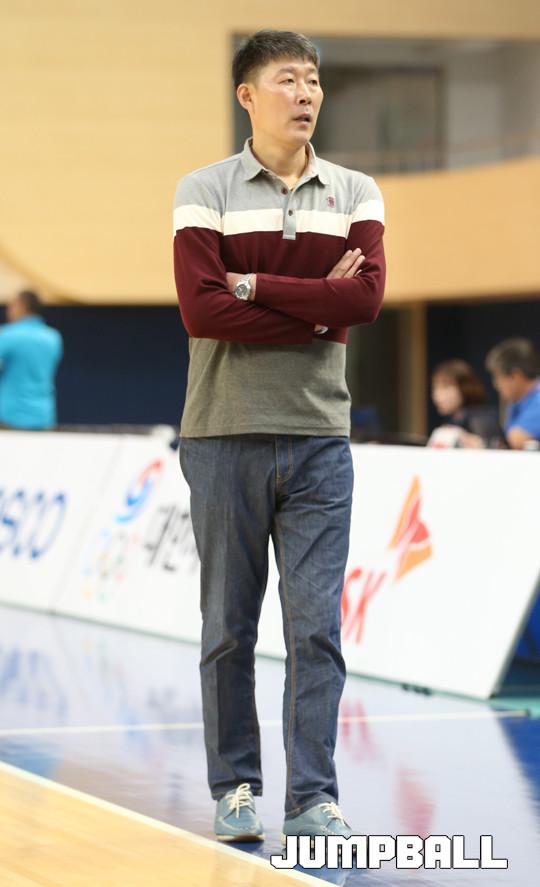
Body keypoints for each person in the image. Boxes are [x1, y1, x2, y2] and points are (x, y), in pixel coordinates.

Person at [173, 30, 386, 844]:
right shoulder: (204, 189)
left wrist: (255, 284)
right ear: (247, 95)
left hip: (320, 439)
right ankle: (234, 787)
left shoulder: (356, 191)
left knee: (316, 630)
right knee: (229, 626)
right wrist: (316, 308)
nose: (306, 94)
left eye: (314, 81)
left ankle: (312, 797)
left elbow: (364, 302)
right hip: (223, 433)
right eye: (288, 79)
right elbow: (202, 311)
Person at [0, 290, 63, 430]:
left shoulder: (7, 335)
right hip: (43, 417)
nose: (8, 310)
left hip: (10, 417)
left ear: (22, 306)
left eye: (11, 305)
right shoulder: (53, 338)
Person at [429, 359, 503, 448]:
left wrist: (481, 445)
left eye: (445, 387)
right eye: (434, 388)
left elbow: (496, 449)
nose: (437, 395)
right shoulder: (455, 420)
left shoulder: (481, 418)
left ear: (464, 387)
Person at [485, 338, 540, 449]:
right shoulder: (517, 402)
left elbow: (517, 439)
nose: (496, 385)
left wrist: (483, 443)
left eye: (498, 377)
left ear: (515, 376)